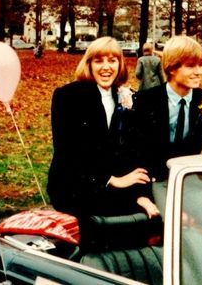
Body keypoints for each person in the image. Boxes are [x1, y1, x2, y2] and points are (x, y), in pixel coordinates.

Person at [47, 37, 158, 222]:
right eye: (99, 61)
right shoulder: (68, 96)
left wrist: (141, 195)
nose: (106, 67)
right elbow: (67, 151)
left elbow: (136, 152)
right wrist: (110, 180)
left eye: (112, 60)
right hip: (76, 186)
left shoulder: (129, 98)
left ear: (120, 64)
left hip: (118, 187)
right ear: (89, 64)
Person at [132, 35, 202, 183]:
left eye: (200, 65)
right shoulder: (145, 100)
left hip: (190, 181)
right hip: (152, 182)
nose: (199, 72)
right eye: (191, 66)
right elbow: (135, 152)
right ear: (172, 68)